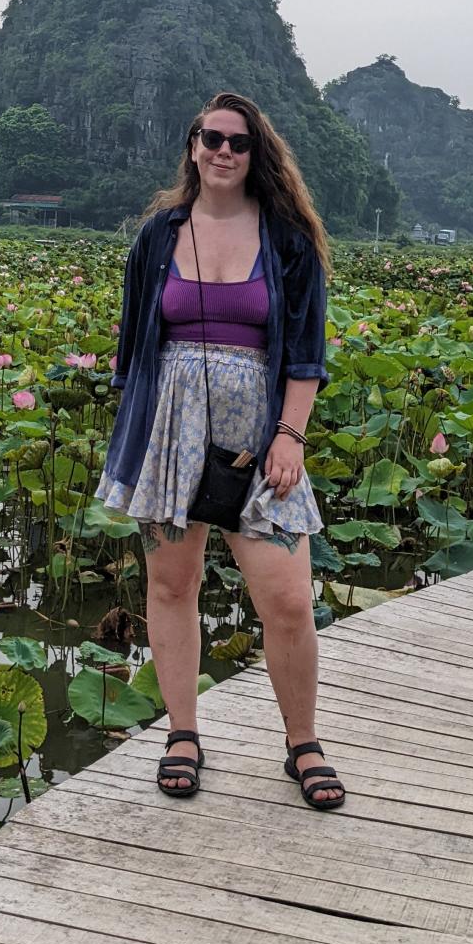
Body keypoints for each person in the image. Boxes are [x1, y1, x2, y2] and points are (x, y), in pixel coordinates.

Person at [96, 91, 345, 811]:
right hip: (170, 431)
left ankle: (303, 740)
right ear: (193, 144)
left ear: (255, 152)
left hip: (261, 437)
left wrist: (289, 437)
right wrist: (142, 438)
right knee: (173, 584)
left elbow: (306, 355)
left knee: (289, 599)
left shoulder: (289, 241)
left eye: (238, 141)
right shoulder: (158, 236)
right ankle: (182, 731)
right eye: (212, 138)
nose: (223, 151)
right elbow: (131, 350)